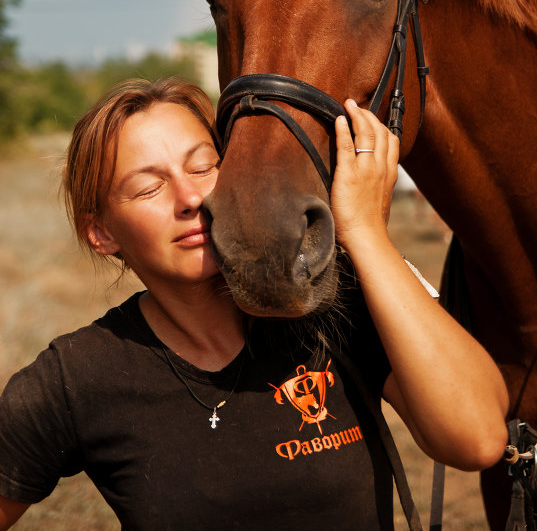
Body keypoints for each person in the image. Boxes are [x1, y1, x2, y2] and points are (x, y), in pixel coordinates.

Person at [0, 77, 508, 531]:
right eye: (149, 187)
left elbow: (478, 438)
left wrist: (365, 232)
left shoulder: (326, 305)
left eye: (204, 166)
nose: (190, 197)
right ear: (101, 232)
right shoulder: (75, 379)